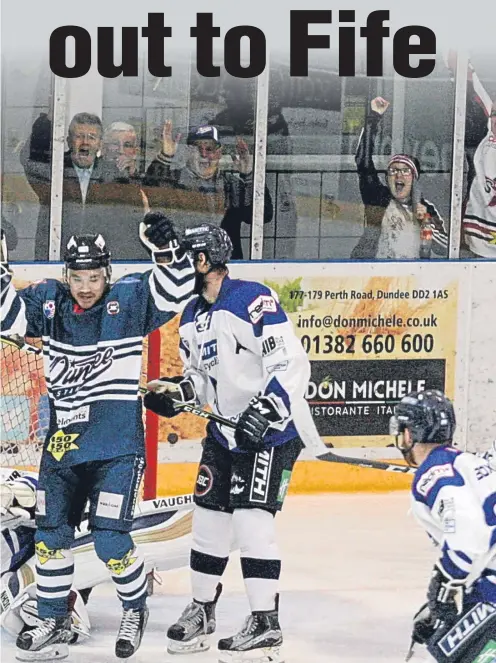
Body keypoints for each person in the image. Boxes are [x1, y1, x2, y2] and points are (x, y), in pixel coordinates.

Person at [0, 216, 195, 660]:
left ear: (108, 274)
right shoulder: (49, 301)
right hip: (63, 450)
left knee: (109, 538)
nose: (85, 287)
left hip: (117, 449)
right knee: (51, 538)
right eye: (77, 277)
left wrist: (167, 251)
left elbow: (176, 289)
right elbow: (7, 316)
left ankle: (134, 607)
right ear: (65, 274)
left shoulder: (129, 300)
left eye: (94, 277)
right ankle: (51, 617)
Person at [143, 223, 324, 662]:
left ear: (203, 262)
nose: (175, 267)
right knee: (207, 521)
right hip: (225, 434)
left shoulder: (251, 298)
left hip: (272, 431)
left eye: (183, 258)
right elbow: (202, 384)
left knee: (251, 521)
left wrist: (265, 410)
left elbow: (291, 363)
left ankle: (265, 622)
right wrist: (178, 395)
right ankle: (203, 610)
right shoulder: (189, 316)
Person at [0, 468, 194, 644]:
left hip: (78, 532)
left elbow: (38, 487)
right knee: (15, 607)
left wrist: (18, 495)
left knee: (188, 528)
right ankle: (60, 614)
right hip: (42, 561)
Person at [389, 390, 496, 663]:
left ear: (410, 434)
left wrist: (447, 584)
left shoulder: (433, 474)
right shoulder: (468, 462)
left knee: (437, 652)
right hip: (487, 576)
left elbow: (468, 534)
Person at [21, 112, 149, 260]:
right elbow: (28, 160)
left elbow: (133, 220)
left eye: (92, 137)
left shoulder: (114, 174)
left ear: (100, 144)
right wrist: (46, 119)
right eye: (79, 136)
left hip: (98, 266)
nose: (85, 142)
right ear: (69, 141)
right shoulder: (54, 168)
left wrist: (131, 179)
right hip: (57, 260)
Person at [143, 122, 273, 259]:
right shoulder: (172, 180)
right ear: (188, 152)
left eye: (210, 148)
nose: (204, 154)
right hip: (181, 269)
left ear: (219, 153)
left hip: (223, 272)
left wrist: (249, 176)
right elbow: (148, 195)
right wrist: (165, 157)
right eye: (197, 148)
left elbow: (263, 215)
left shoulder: (232, 185)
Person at [351, 97, 448, 260]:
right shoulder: (377, 197)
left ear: (414, 178)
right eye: (393, 171)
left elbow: (443, 248)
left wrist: (426, 222)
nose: (398, 175)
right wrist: (374, 117)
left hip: (410, 279)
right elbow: (363, 160)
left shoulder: (426, 208)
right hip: (374, 273)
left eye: (405, 171)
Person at [460, 63, 496, 258]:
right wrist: (465, 65)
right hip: (479, 240)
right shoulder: (485, 141)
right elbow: (475, 87)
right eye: (494, 115)